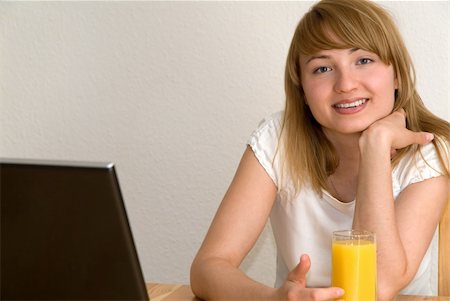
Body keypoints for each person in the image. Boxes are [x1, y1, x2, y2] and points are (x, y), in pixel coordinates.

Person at [190, 0, 450, 300]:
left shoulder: (430, 149)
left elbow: (376, 288)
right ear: (302, 88)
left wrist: (375, 148)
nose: (346, 84)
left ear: (398, 76)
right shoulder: (278, 139)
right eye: (323, 68)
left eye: (363, 60)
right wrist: (273, 299)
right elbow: (207, 267)